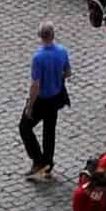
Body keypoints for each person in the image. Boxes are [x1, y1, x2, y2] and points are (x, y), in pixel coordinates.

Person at [22, 25, 70, 180]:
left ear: (40, 36)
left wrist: (30, 106)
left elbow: (36, 85)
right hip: (55, 98)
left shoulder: (38, 57)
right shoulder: (62, 52)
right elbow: (68, 72)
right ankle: (48, 163)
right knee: (49, 131)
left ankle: (38, 160)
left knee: (24, 127)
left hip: (41, 100)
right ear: (53, 35)